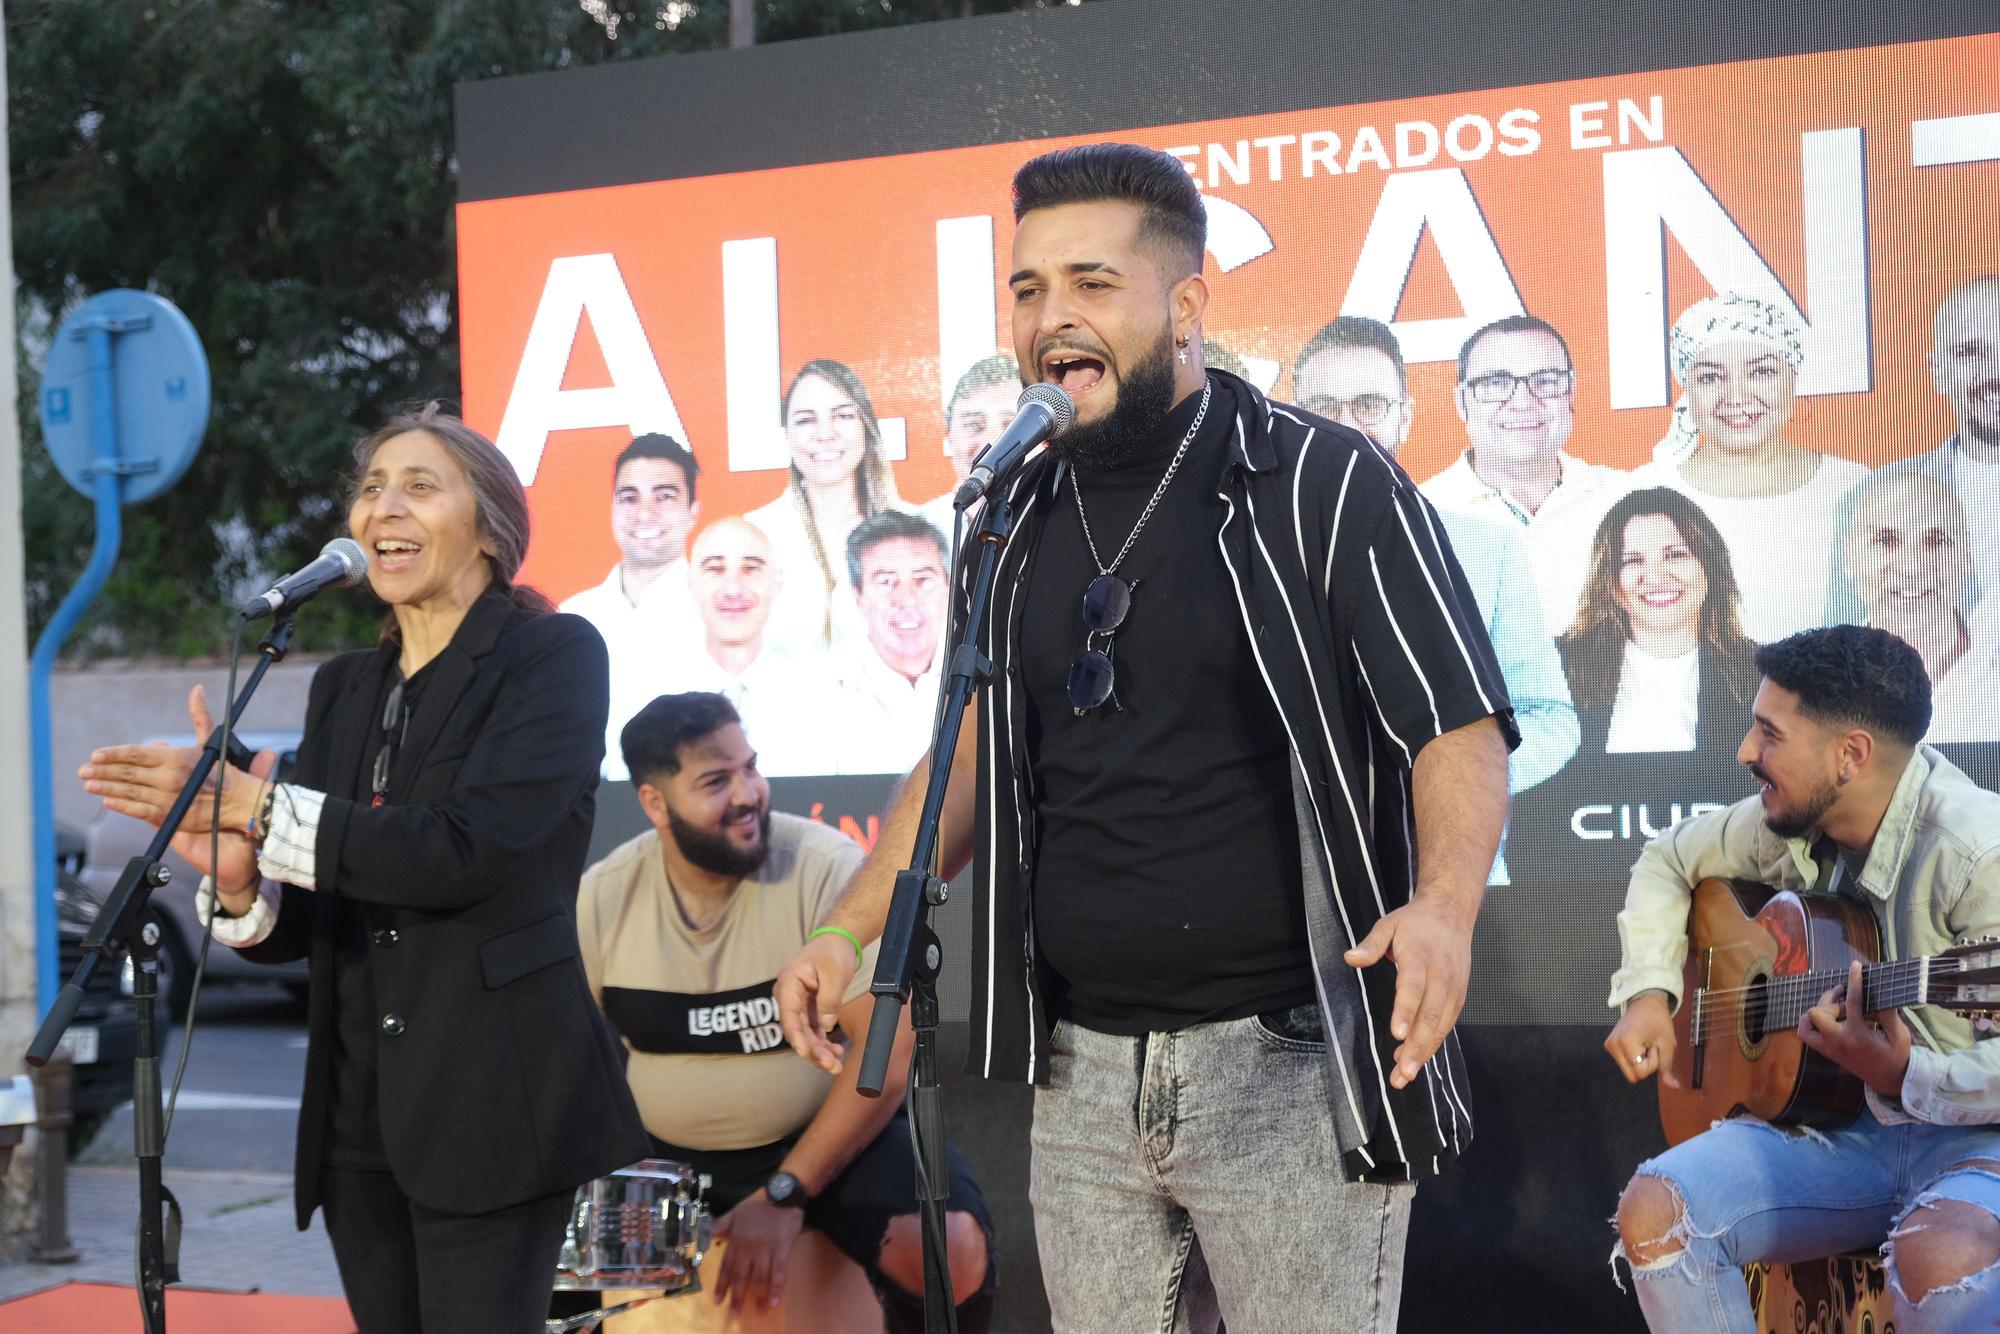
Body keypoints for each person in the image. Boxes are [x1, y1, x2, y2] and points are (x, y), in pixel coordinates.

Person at [774, 142, 1516, 1332]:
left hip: (1289, 1064)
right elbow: (963, 755)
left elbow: (1456, 722)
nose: (1051, 317)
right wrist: (843, 926)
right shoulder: (1007, 514)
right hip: (1078, 1074)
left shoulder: (1325, 483)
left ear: (1185, 306)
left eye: (1089, 284)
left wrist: (1441, 908)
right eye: (1026, 290)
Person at [78, 405, 649, 1334]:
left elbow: (467, 849)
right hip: (356, 1120)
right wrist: (235, 879)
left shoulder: (553, 656)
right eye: (371, 488)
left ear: (490, 530)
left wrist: (259, 806)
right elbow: (309, 922)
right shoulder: (343, 687)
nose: (384, 506)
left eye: (420, 486)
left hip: (494, 1102)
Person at [1604, 624, 2000, 1332]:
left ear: (1850, 755)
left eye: (1769, 733)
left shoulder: (1978, 853)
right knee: (1657, 1210)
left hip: (1978, 1141)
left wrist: (1906, 1072)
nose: (1746, 752)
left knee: (1941, 1255)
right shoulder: (1785, 823)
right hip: (1846, 1132)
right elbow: (1666, 858)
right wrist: (1649, 996)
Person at [575, 693, 993, 1331]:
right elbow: (576, 1067)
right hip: (666, 1157)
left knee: (952, 1251)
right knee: (556, 1265)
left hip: (825, 1145)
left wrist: (786, 1190)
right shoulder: (604, 895)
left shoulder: (826, 869)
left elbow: (890, 1051)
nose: (747, 794)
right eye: (717, 781)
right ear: (655, 804)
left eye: (751, 767)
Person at [1292, 314, 1578, 881]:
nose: (1349, 425)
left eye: (1371, 403)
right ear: (1290, 414)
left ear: (1407, 414)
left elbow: (1551, 720)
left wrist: (1439, 780)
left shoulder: (1486, 544)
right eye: (1324, 404)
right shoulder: (1243, 544)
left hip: (1451, 880)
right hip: (1288, 878)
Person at [1632, 292, 1869, 643]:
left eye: (1761, 372)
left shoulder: (1856, 487)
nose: (1738, 396)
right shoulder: (1641, 494)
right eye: (1712, 377)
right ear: (1687, 389)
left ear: (1793, 378)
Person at [1418, 314, 1630, 633]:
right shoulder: (1419, 517)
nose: (1522, 402)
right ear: (1462, 402)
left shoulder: (1628, 499)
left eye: (1545, 381)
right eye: (1495, 384)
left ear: (1571, 392)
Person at [1827, 275, 2000, 623]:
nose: (1994, 370)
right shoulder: (1872, 497)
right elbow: (1843, 652)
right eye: (1971, 352)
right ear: (1938, 372)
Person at [1558, 487, 1760, 755]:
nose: (1654, 577)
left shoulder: (1762, 674)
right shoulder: (1557, 668)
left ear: (1710, 567)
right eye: (1631, 560)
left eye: (1675, 554)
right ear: (1609, 581)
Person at [559, 433, 703, 780]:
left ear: (692, 512)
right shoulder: (571, 618)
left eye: (664, 497)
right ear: (612, 508)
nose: (645, 514)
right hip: (597, 818)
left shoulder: (719, 611)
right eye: (629, 498)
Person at [656, 517, 839, 778]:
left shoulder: (821, 695)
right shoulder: (652, 692)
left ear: (777, 581)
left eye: (751, 569)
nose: (733, 589)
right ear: (690, 582)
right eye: (715, 569)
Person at [746, 359, 905, 658]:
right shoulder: (755, 535)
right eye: (805, 420)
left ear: (867, 427)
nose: (824, 433)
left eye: (843, 416)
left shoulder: (914, 531)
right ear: (786, 434)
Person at [1842, 471, 2000, 743]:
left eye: (1936, 541)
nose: (1911, 568)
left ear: (1968, 557)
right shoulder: (1816, 687)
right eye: (1886, 541)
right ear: (1850, 558)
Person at [831, 511, 951, 776]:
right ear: (858, 596)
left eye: (923, 579)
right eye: (886, 582)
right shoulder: (822, 691)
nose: (907, 599)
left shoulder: (986, 681)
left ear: (948, 588)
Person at [921, 354, 1021, 535]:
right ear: (949, 437)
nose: (992, 444)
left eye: (1010, 426)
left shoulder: (1061, 520)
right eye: (974, 426)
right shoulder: (919, 527)